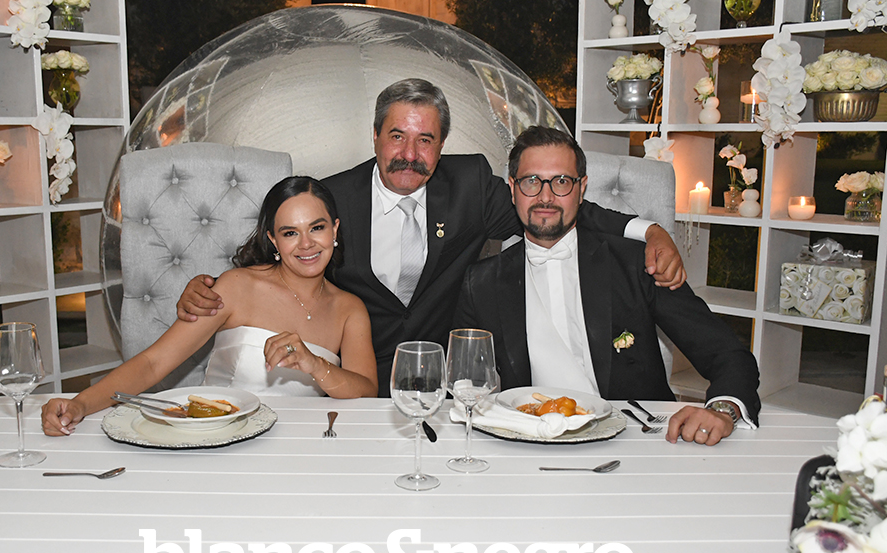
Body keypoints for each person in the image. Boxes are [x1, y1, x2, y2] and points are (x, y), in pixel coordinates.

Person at [176, 79, 686, 397]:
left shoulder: (470, 186)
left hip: (444, 384)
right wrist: (208, 289)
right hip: (353, 386)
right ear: (375, 136)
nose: (409, 153)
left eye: (425, 140)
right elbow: (282, 258)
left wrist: (649, 230)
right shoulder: (334, 198)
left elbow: (553, 207)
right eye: (397, 136)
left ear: (442, 145)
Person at [454, 126, 761, 446]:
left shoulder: (637, 264)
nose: (546, 197)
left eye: (561, 181)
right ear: (512, 189)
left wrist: (723, 409)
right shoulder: (482, 282)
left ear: (581, 189)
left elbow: (726, 352)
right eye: (532, 181)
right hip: (527, 444)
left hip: (636, 442)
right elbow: (464, 384)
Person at [41, 177, 377, 436]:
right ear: (273, 240)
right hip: (214, 439)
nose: (306, 244)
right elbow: (153, 363)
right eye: (290, 233)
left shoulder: (349, 309)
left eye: (316, 228)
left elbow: (367, 393)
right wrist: (80, 404)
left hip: (299, 448)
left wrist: (314, 363)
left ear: (334, 229)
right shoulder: (236, 287)